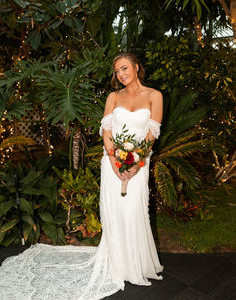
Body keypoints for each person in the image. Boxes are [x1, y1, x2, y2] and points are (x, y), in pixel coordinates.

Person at [0, 52, 163, 300]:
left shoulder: (154, 96)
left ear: (137, 67)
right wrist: (115, 162)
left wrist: (137, 163)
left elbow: (152, 134)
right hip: (112, 163)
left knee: (134, 211)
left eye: (125, 68)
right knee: (115, 213)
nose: (121, 74)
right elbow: (107, 131)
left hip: (139, 163)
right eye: (117, 71)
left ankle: (137, 265)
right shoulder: (113, 96)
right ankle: (117, 265)